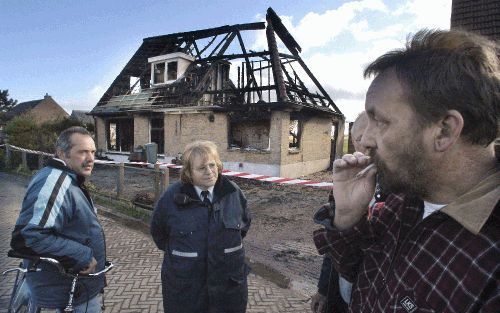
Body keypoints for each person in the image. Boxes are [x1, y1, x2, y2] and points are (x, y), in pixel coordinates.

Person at [313, 29, 499, 312]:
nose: (365, 140)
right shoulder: (406, 198)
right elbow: (355, 274)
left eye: (381, 122)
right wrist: (348, 217)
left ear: (444, 130)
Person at [10, 126, 106, 312]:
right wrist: (83, 255)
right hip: (64, 294)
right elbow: (28, 237)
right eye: (83, 152)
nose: (91, 159)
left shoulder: (69, 178)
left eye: (93, 152)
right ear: (62, 153)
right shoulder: (56, 182)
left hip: (78, 287)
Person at [151, 140, 251, 313]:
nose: (209, 172)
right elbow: (159, 234)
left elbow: (244, 226)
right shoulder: (171, 198)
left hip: (228, 292)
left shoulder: (233, 193)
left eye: (212, 165)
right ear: (189, 172)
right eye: (201, 168)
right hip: (186, 294)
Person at [311, 112, 369, 313]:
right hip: (344, 296)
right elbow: (333, 246)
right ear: (354, 142)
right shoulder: (345, 184)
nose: (368, 143)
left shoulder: (402, 191)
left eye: (374, 133)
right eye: (360, 139)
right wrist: (323, 289)